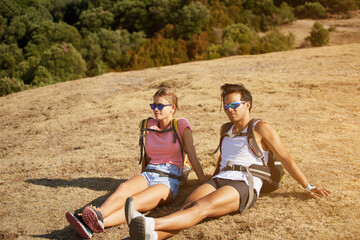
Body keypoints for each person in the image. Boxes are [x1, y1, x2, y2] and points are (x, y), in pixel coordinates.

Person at [125, 83, 331, 240]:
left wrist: (308, 186)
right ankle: (153, 236)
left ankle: (149, 223)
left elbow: (286, 158)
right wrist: (209, 179)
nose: (229, 109)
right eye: (226, 106)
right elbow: (223, 159)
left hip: (244, 181)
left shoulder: (261, 127)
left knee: (201, 208)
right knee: (189, 205)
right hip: (220, 178)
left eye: (234, 105)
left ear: (247, 104)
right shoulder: (225, 129)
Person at [65, 88, 209, 239]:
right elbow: (147, 156)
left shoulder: (180, 125)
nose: (156, 109)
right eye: (153, 106)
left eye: (160, 106)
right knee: (124, 188)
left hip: (168, 180)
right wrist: (141, 178)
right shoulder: (148, 125)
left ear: (173, 107)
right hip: (149, 172)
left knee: (133, 203)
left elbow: (192, 155)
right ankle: (98, 215)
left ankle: (95, 223)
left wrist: (202, 178)